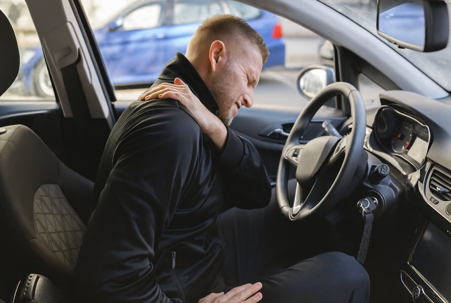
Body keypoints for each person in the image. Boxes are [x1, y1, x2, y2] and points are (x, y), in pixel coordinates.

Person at [74, 15, 370, 303]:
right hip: (184, 285)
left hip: (197, 251)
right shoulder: (169, 133)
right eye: (248, 80)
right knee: (349, 276)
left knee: (294, 196)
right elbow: (111, 279)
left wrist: (218, 129)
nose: (250, 98)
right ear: (216, 55)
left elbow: (255, 192)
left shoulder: (196, 115)